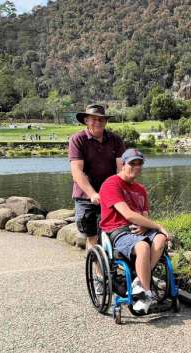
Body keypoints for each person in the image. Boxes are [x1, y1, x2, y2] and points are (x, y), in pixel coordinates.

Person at [98, 149, 170, 314]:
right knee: (143, 246)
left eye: (139, 164)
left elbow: (144, 215)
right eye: (132, 163)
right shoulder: (111, 184)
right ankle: (146, 293)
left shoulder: (141, 189)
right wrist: (158, 225)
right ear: (123, 165)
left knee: (160, 239)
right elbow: (128, 214)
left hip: (139, 228)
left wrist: (148, 226)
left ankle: (138, 280)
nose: (136, 167)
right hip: (119, 230)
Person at [68, 104, 125, 250]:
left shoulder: (115, 140)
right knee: (92, 237)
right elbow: (76, 171)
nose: (97, 122)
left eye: (101, 120)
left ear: (106, 122)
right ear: (86, 120)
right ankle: (97, 272)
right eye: (93, 119)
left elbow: (121, 168)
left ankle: (113, 266)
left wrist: (121, 190)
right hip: (86, 196)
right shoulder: (77, 139)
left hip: (110, 194)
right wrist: (93, 194)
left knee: (116, 231)